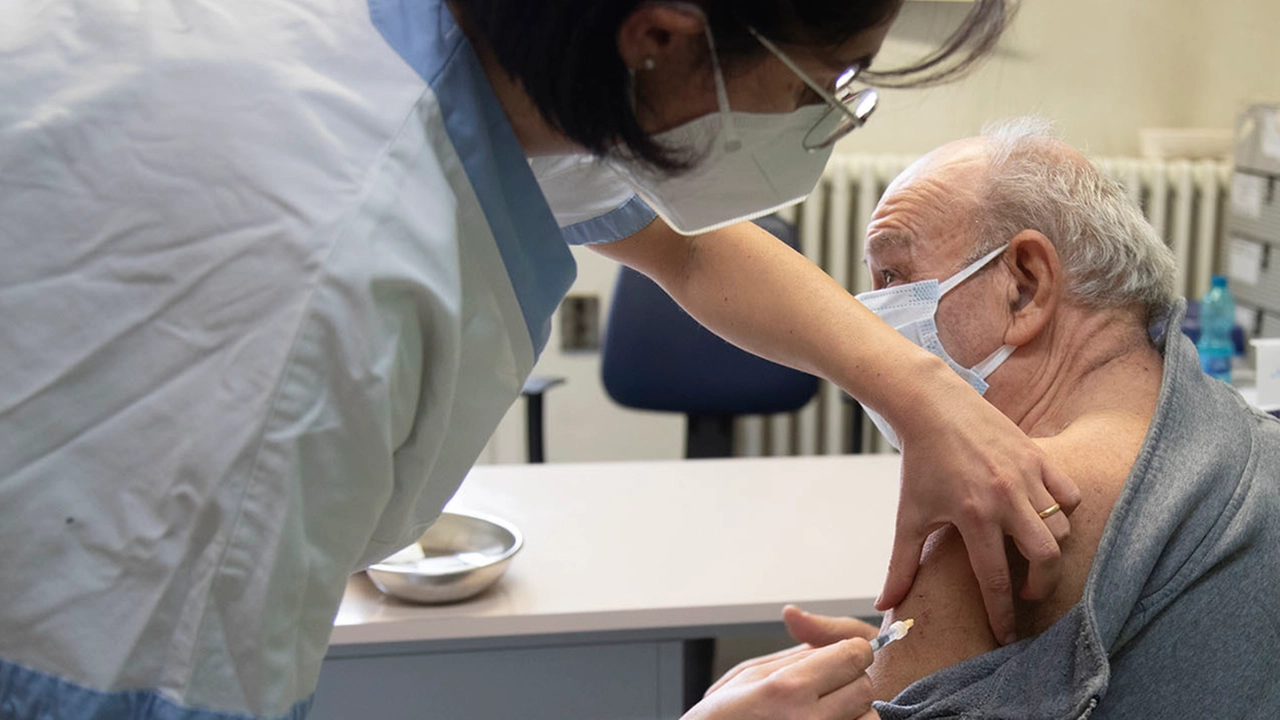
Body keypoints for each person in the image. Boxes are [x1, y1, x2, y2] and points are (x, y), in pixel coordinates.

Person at [0, 2, 1079, 718]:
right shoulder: (312, 310)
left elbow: (687, 246)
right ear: (659, 36)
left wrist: (923, 387)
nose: (820, 116)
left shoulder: (467, 55)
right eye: (824, 77)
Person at [717, 118, 1280, 717]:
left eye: (893, 277)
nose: (873, 317)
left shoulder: (1005, 500)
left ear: (1025, 286)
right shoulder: (1253, 442)